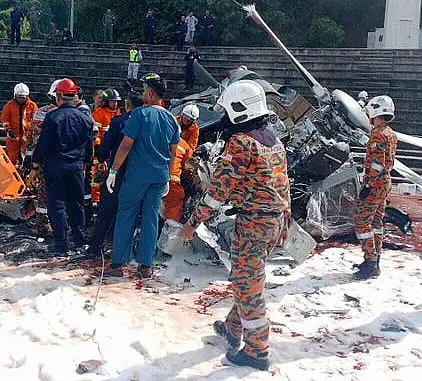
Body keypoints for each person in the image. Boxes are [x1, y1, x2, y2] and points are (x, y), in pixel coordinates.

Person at [181, 80, 290, 371]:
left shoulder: (241, 143)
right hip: (274, 220)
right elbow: (283, 184)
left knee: (247, 285)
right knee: (247, 277)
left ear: (238, 111)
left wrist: (194, 221)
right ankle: (232, 328)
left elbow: (219, 190)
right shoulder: (273, 140)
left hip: (255, 223)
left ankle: (257, 351)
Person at [105, 73, 179, 278]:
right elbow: (173, 152)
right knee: (150, 219)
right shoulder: (172, 118)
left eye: (145, 89)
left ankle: (118, 263)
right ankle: (146, 266)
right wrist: (168, 177)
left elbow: (126, 145)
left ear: (150, 93)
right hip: (159, 176)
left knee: (126, 215)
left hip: (138, 174)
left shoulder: (139, 114)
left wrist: (113, 170)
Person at [31, 78, 95, 255]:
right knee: (77, 204)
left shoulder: (53, 117)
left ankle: (62, 245)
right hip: (76, 167)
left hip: (56, 166)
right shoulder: (85, 118)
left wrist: (35, 167)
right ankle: (80, 240)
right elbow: (89, 146)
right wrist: (85, 164)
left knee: (57, 205)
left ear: (58, 96)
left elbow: (43, 145)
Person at [87, 90, 143, 259]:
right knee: (133, 213)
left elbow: (105, 147)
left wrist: (102, 159)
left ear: (127, 105)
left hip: (118, 171)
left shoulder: (119, 122)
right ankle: (126, 249)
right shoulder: (149, 122)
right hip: (140, 173)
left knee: (107, 210)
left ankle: (96, 247)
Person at [353, 95, 397, 280]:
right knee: (377, 222)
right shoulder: (391, 133)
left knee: (362, 222)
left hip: (376, 183)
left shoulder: (378, 134)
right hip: (385, 182)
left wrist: (368, 184)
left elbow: (377, 164)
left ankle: (370, 261)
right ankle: (375, 259)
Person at [24, 80, 61, 236]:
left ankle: (43, 225)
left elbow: (32, 137)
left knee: (43, 193)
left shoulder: (40, 112)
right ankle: (59, 224)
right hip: (61, 160)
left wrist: (29, 158)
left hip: (41, 160)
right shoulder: (70, 113)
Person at [0, 83, 38, 165]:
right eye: (19, 97)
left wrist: (32, 132)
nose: (21, 99)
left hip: (27, 136)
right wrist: (8, 130)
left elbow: (36, 120)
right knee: (12, 157)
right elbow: (5, 118)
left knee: (28, 156)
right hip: (13, 136)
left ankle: (26, 172)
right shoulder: (9, 105)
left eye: (23, 97)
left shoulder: (32, 106)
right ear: (15, 95)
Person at [163, 136, 193, 224]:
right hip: (171, 180)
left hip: (149, 175)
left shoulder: (156, 136)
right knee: (175, 201)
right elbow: (187, 167)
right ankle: (171, 229)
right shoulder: (184, 145)